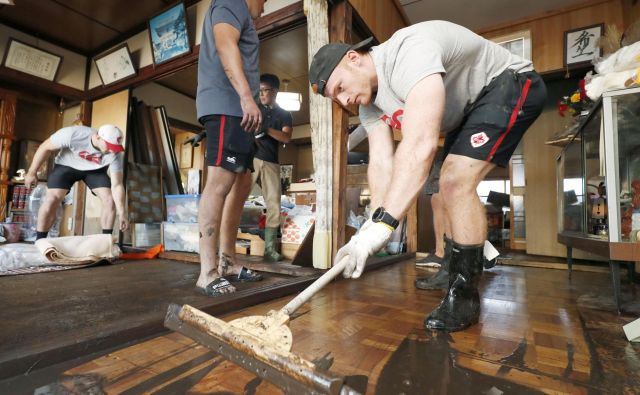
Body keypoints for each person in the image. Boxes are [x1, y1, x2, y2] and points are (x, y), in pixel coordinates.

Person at [309, 20, 546, 332]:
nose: (343, 100)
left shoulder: (408, 51)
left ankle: (464, 296)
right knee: (440, 192)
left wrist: (383, 227)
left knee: (455, 181)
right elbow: (381, 163)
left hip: (509, 83)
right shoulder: (369, 105)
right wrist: (370, 226)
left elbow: (420, 144)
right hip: (469, 111)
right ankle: (451, 267)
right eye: (334, 98)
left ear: (353, 58)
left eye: (340, 88)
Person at [195, 0, 266, 297]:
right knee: (220, 183)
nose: (264, 5)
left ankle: (228, 262)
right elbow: (226, 46)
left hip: (239, 111)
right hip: (229, 106)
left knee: (241, 183)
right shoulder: (231, 1)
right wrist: (247, 98)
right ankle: (207, 272)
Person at [24, 124, 129, 239]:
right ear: (98, 137)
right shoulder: (73, 134)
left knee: (110, 200)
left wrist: (123, 213)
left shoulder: (114, 153)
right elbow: (45, 147)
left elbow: (117, 185)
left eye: (115, 147)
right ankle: (40, 240)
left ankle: (106, 242)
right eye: (109, 146)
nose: (112, 150)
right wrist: (31, 172)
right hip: (66, 165)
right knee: (51, 199)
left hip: (95, 170)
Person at [253, 73, 293, 262]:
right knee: (236, 198)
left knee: (274, 204)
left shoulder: (284, 114)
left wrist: (266, 129)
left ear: (275, 91)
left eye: (264, 91)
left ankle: (269, 249)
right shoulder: (253, 107)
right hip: (250, 157)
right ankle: (224, 245)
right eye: (259, 90)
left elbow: (286, 137)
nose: (261, 94)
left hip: (271, 161)